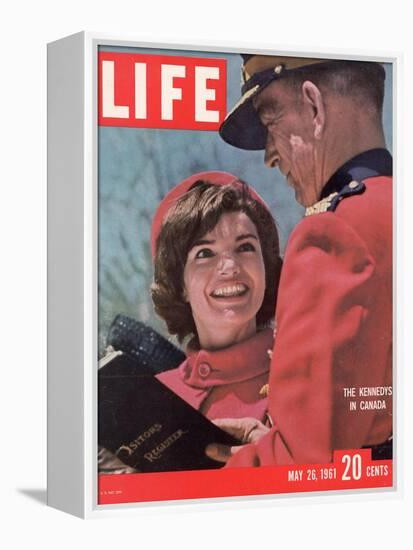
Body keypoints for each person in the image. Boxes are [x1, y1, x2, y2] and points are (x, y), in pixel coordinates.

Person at [206, 55, 393, 466]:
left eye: (270, 124)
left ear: (313, 107)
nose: (269, 156)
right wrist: (276, 435)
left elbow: (306, 466)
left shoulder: (334, 233)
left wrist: (196, 472)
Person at [150, 171, 282, 426]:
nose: (230, 267)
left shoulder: (305, 371)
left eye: (245, 247)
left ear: (266, 267)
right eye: (205, 253)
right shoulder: (153, 398)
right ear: (180, 284)